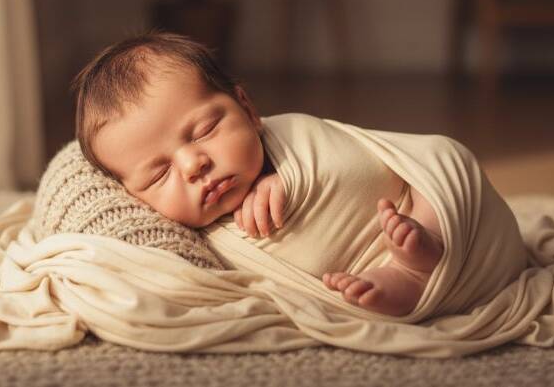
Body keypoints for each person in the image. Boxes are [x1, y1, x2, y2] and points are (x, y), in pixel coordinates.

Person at [73, 32, 478, 317]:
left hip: (423, 214)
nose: (193, 165)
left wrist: (283, 174)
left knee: (446, 160)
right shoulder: (187, 242)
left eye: (204, 132)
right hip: (351, 275)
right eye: (159, 174)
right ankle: (400, 277)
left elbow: (362, 161)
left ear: (247, 109)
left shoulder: (291, 137)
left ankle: (417, 260)